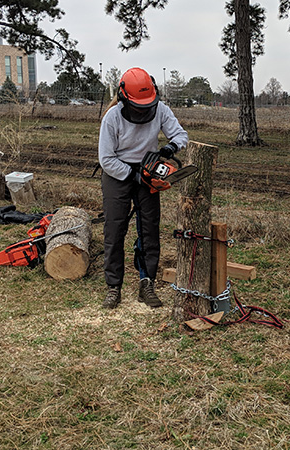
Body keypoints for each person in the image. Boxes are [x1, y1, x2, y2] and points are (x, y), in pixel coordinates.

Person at [98, 67, 188, 309]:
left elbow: (181, 135)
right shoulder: (112, 117)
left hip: (147, 167)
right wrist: (133, 176)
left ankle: (146, 282)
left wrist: (170, 148)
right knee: (115, 229)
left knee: (149, 228)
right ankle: (113, 286)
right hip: (117, 171)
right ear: (125, 97)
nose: (142, 109)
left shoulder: (160, 109)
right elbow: (106, 159)